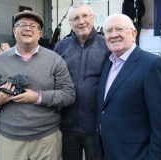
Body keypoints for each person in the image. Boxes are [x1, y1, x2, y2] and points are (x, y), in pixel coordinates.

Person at [0, 10, 75, 160]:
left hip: (46, 139)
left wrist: (38, 97)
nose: (28, 28)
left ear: (40, 34)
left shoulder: (55, 60)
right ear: (14, 31)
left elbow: (69, 94)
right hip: (9, 140)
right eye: (22, 25)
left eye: (33, 26)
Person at [96, 13, 161, 159]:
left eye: (119, 29)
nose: (114, 35)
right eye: (108, 31)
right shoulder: (108, 63)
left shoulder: (152, 64)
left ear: (134, 33)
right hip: (108, 152)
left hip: (136, 154)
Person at [54, 2, 110, 160]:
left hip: (96, 126)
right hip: (67, 125)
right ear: (70, 23)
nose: (81, 21)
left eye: (85, 16)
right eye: (76, 18)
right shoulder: (60, 47)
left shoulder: (106, 46)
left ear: (93, 18)